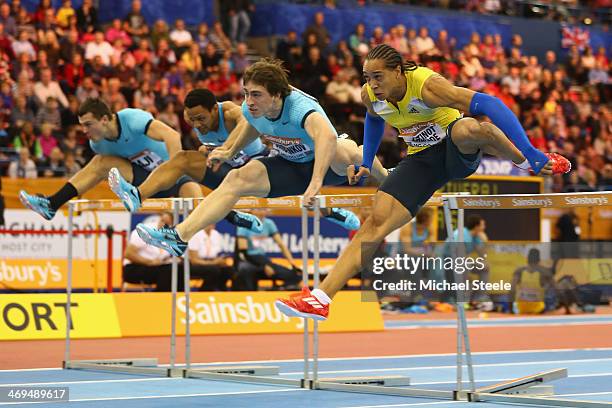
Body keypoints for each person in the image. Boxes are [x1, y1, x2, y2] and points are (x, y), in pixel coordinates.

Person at [276, 44, 571, 320]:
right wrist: (367, 161)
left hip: (455, 151)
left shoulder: (428, 86)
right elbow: (375, 119)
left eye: (378, 77)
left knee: (472, 127)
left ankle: (526, 160)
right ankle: (321, 299)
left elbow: (490, 103)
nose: (372, 84)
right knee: (375, 221)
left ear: (398, 72)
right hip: (421, 162)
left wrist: (530, 151)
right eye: (367, 77)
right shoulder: (371, 95)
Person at [134, 58, 388, 257]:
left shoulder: (301, 109)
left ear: (277, 95)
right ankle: (179, 237)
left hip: (327, 162)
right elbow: (252, 124)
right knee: (236, 178)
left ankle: (388, 179)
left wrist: (316, 183)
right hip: (289, 165)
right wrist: (229, 151)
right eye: (246, 93)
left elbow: (326, 138)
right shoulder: (251, 107)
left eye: (256, 94)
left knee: (351, 150)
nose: (248, 101)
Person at [18, 98, 204, 224]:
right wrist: (79, 201)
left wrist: (173, 169)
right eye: (82, 125)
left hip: (173, 175)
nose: (84, 131)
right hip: (143, 181)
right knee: (100, 162)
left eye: (88, 125)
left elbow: (172, 135)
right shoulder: (98, 144)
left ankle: (185, 233)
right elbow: (91, 174)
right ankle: (52, 204)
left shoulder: (132, 119)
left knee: (195, 196)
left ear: (105, 119)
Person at [107, 88, 266, 232]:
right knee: (182, 159)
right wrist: (208, 151)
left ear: (213, 110)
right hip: (228, 173)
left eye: (201, 118)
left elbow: (248, 121)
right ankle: (138, 195)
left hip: (255, 168)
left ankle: (232, 215)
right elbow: (210, 145)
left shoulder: (229, 112)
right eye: (192, 119)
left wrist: (225, 150)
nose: (197, 124)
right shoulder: (189, 117)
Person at [233, 209, 302, 291]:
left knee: (293, 275)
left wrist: (293, 264)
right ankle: (250, 294)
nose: (262, 211)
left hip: (262, 259)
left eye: (264, 208)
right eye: (259, 208)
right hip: (247, 260)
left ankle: (277, 291)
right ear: (252, 211)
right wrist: (263, 266)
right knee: (247, 270)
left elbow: (281, 245)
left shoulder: (269, 223)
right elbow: (243, 253)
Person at [123, 211, 182, 292]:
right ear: (158, 219)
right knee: (168, 271)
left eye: (167, 223)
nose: (163, 225)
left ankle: (178, 298)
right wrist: (150, 262)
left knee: (179, 270)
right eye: (162, 221)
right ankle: (160, 298)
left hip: (155, 268)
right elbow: (128, 254)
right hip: (133, 268)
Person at [188, 223, 233, 291]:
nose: (212, 224)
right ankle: (204, 292)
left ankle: (221, 291)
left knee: (228, 269)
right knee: (213, 270)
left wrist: (221, 260)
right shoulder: (195, 235)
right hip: (196, 263)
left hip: (212, 261)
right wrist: (213, 263)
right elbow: (194, 261)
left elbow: (218, 253)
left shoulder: (216, 234)